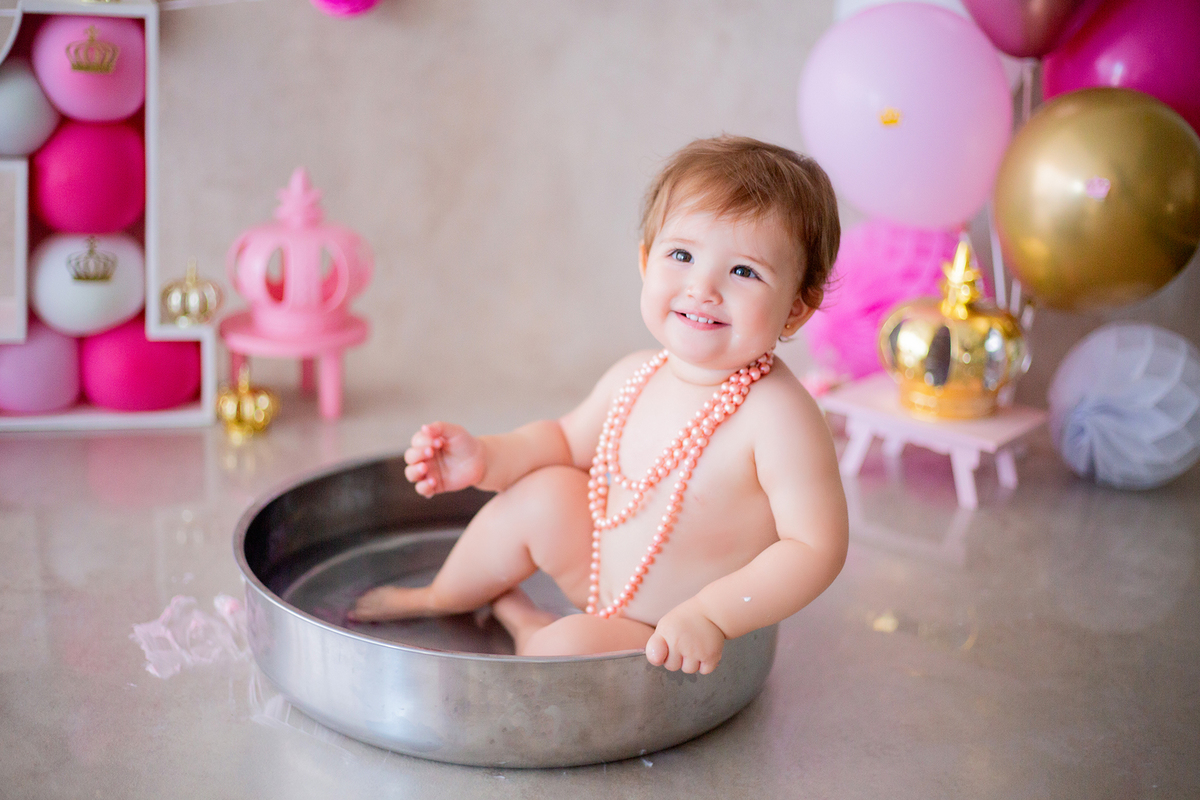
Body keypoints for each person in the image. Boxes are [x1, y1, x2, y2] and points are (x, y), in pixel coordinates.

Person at [350, 135, 848, 675]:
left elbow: (814, 547)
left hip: (664, 630)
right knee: (540, 492)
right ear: (645, 261)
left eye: (744, 271)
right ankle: (441, 596)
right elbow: (563, 441)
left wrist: (712, 614)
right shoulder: (636, 373)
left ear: (796, 310)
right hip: (599, 570)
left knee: (556, 655)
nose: (702, 287)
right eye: (681, 255)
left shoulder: (778, 416)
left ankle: (527, 626)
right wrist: (488, 457)